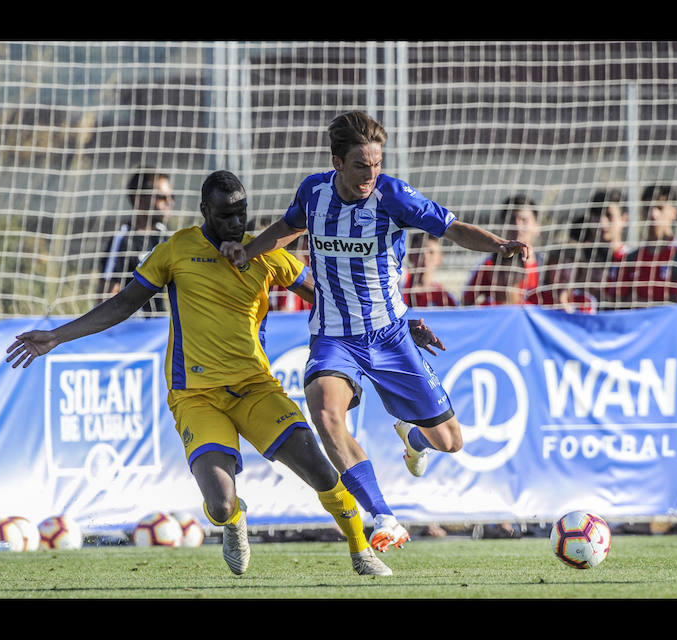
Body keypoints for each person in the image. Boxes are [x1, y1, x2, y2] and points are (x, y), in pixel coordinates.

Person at [6, 170, 394, 577]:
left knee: (319, 469)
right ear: (205, 211)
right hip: (195, 396)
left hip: (255, 389)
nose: (236, 223)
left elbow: (329, 299)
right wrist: (56, 336)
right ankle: (234, 522)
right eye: (226, 215)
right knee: (221, 504)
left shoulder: (263, 253)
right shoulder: (177, 250)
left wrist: (380, 336)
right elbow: (123, 304)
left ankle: (361, 551)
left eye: (242, 213)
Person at [219, 110, 528, 553]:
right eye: (361, 166)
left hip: (390, 336)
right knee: (326, 414)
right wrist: (247, 252)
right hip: (334, 338)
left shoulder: (393, 197)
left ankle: (413, 436)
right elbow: (287, 229)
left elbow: (451, 227)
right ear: (337, 162)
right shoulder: (314, 192)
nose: (370, 175)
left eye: (377, 164)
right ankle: (384, 515)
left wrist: (498, 244)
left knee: (451, 441)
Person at [532, 189, 632, 312]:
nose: (601, 222)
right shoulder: (575, 258)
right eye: (596, 215)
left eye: (608, 215)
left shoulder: (632, 261)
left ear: (624, 219)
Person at [99, 170, 174, 314]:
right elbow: (106, 295)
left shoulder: (165, 236)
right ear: (140, 200)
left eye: (172, 197)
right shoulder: (123, 239)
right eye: (161, 197)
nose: (169, 203)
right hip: (132, 329)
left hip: (159, 327)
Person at [613, 184, 677, 308]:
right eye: (647, 208)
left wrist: (642, 303)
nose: (653, 214)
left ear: (674, 212)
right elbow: (622, 302)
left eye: (659, 208)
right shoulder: (632, 258)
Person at [462, 195, 541, 306]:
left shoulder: (548, 266)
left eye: (524, 220)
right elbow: (466, 303)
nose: (517, 226)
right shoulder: (489, 264)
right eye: (512, 220)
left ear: (536, 226)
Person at [402, 233, 457, 308]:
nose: (425, 256)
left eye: (431, 252)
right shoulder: (399, 284)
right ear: (410, 256)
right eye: (419, 251)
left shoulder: (445, 297)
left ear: (440, 258)